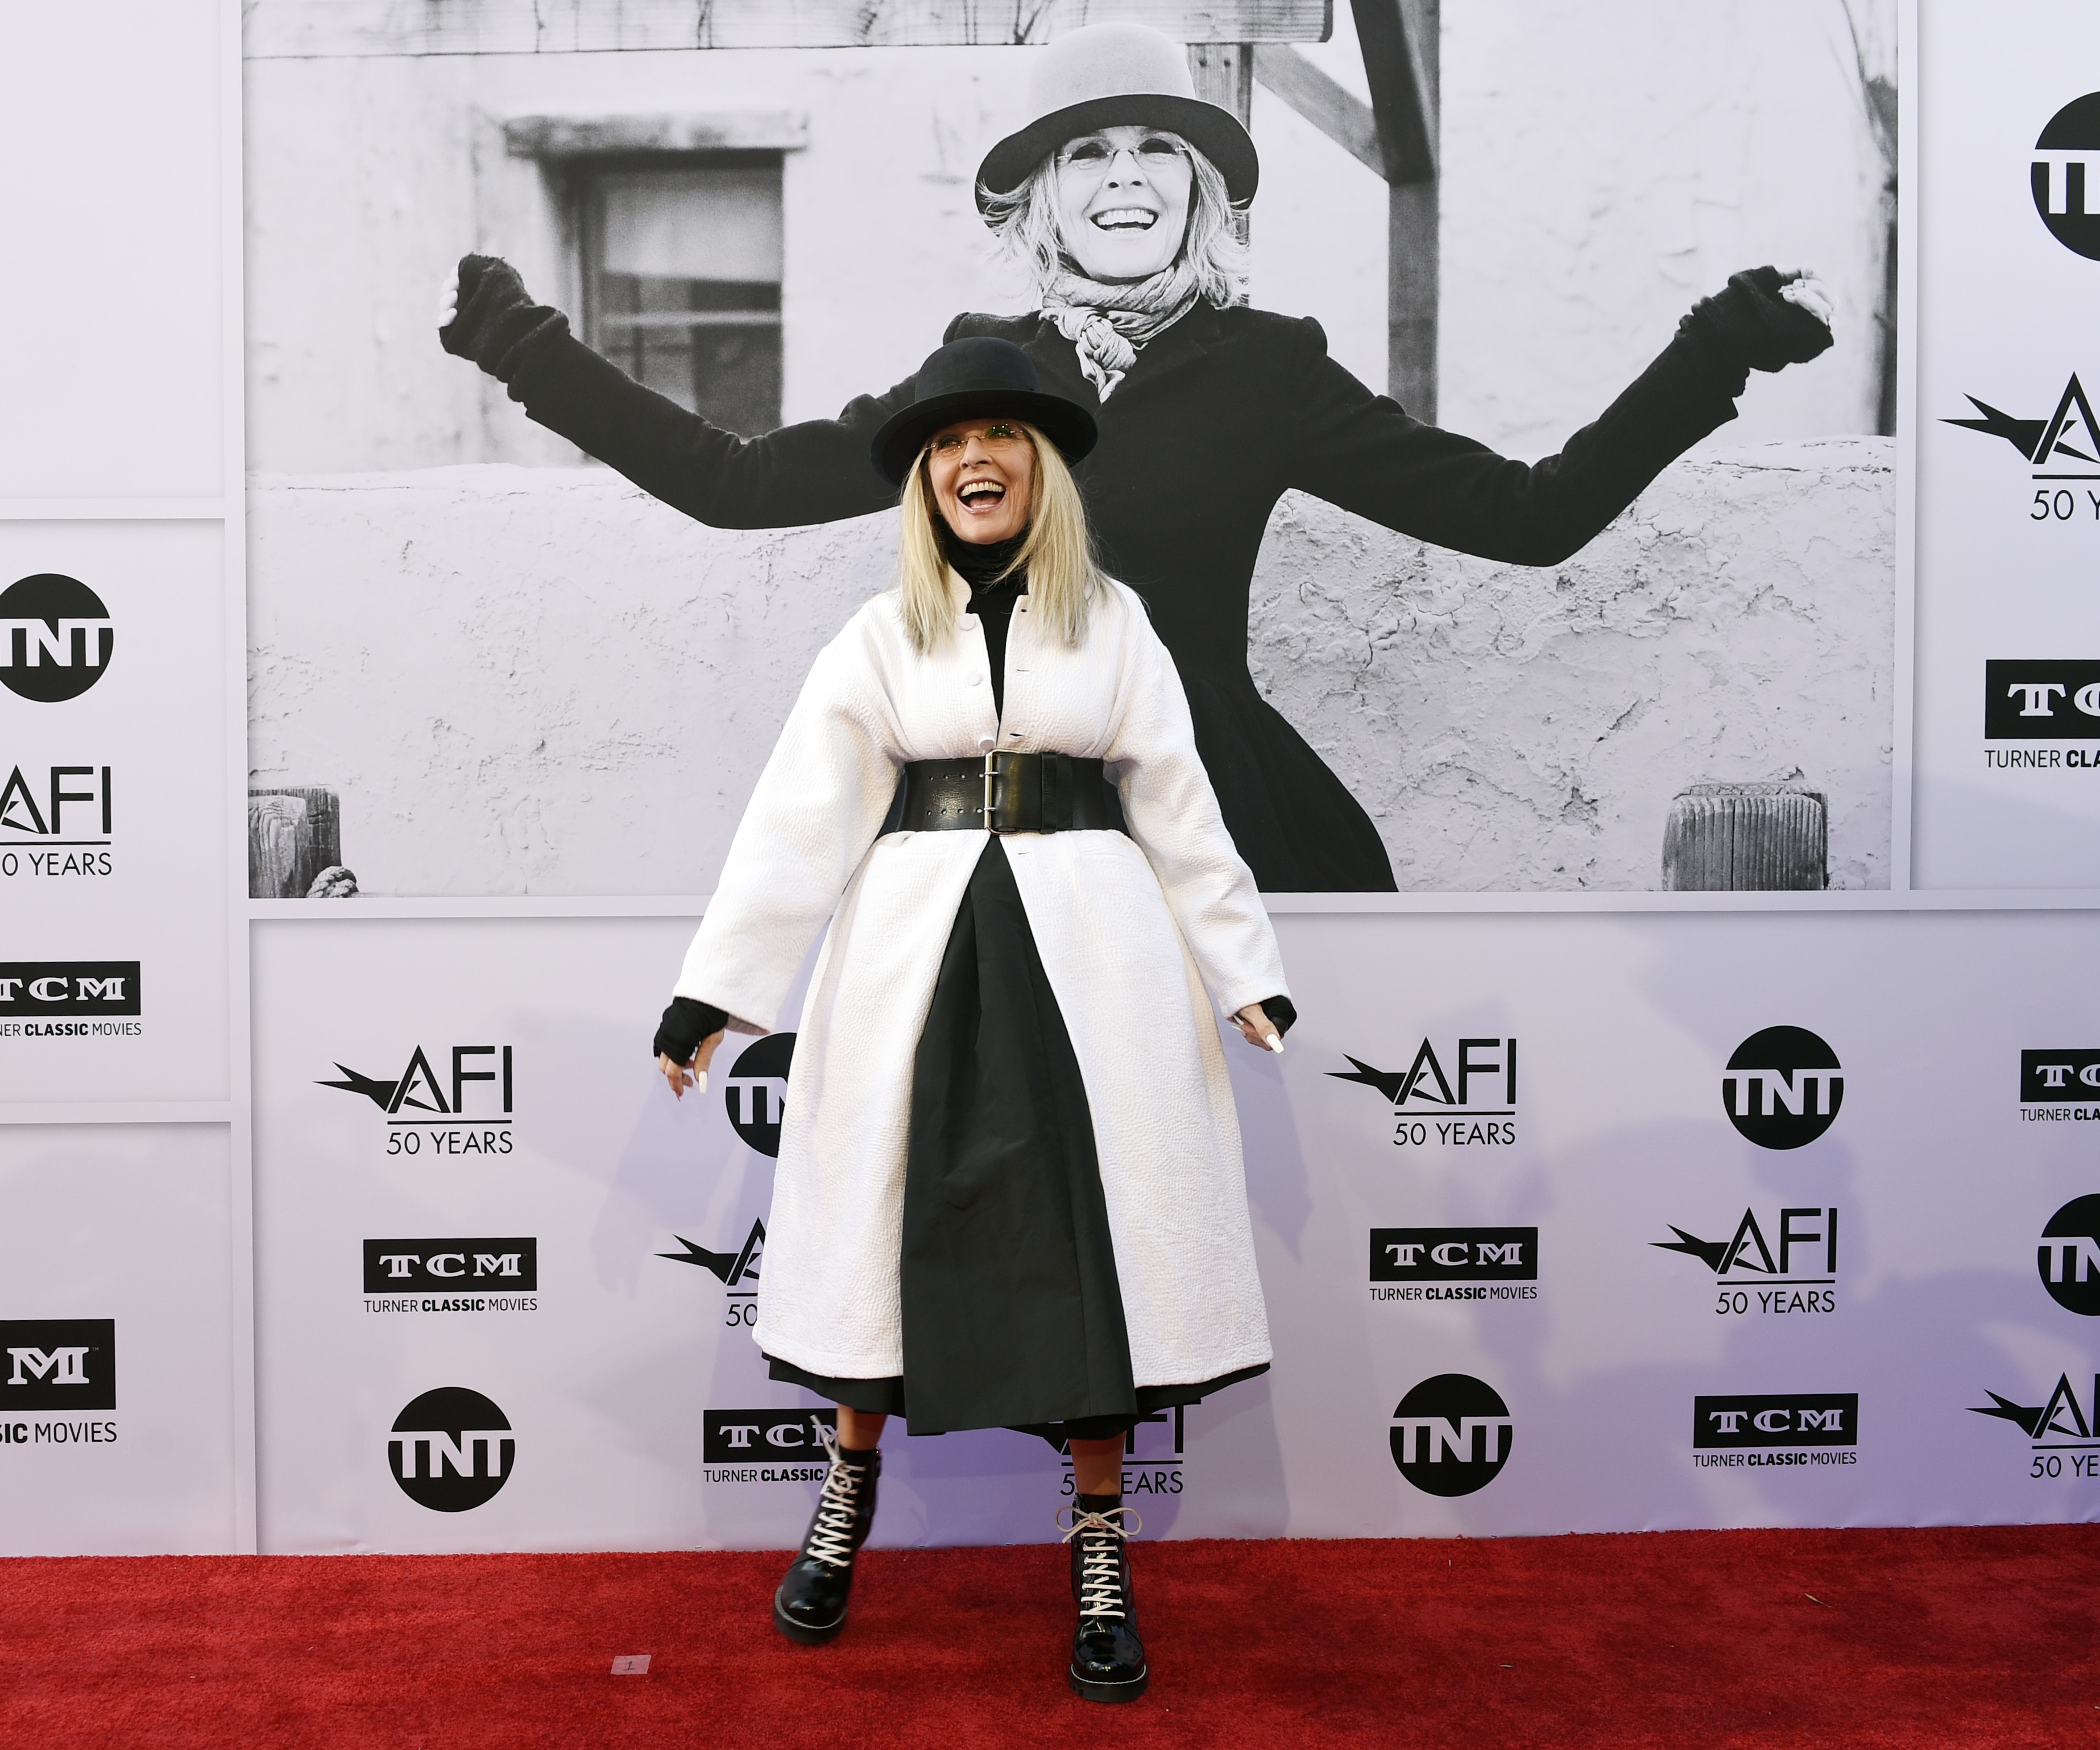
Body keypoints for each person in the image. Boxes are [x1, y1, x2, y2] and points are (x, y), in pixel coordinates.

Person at [437, 23, 1838, 895]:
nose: (1122, 177)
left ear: (1197, 188)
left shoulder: (1267, 366)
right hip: (999, 816)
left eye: (1153, 150)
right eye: (1088, 153)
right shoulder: (982, 369)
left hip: (1209, 811)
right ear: (1043, 196)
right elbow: (737, 487)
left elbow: (1527, 519)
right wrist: (530, 350)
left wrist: (1709, 351)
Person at [644, 334, 1295, 1702]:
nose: (970, 459)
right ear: (926, 479)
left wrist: (1244, 970)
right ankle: (842, 1498)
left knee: (1089, 1244)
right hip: (916, 955)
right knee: (885, 1216)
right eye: (946, 443)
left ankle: (1100, 1547)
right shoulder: (881, 634)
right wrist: (717, 988)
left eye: (997, 436)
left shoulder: (1111, 623)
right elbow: (799, 817)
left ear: (1039, 466)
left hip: (1091, 962)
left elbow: (1178, 805)